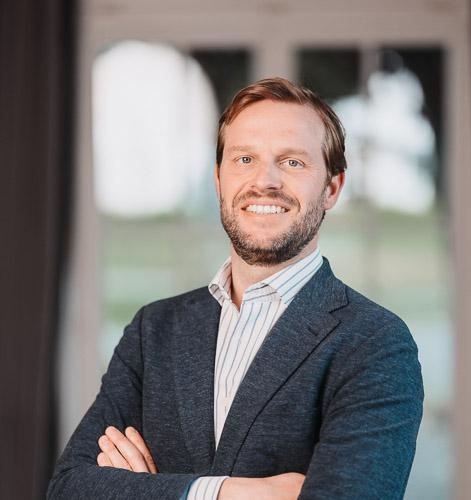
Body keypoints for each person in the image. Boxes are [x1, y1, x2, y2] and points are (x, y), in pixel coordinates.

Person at [47, 77, 424, 500]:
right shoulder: (154, 329)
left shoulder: (375, 341)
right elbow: (70, 488)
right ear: (218, 179)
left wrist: (145, 490)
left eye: (292, 162)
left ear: (331, 188)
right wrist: (241, 492)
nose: (265, 181)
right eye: (245, 159)